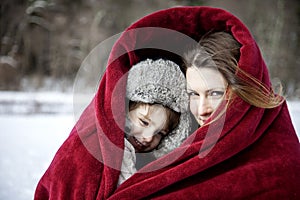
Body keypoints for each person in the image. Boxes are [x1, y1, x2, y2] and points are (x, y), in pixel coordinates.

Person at [35, 6, 300, 200]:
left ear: (242, 89)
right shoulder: (175, 135)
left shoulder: (276, 153)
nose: (203, 108)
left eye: (215, 93)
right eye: (193, 94)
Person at [118, 58, 190, 185]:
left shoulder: (154, 164)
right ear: (125, 111)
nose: (148, 137)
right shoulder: (117, 152)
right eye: (144, 122)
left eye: (160, 133)